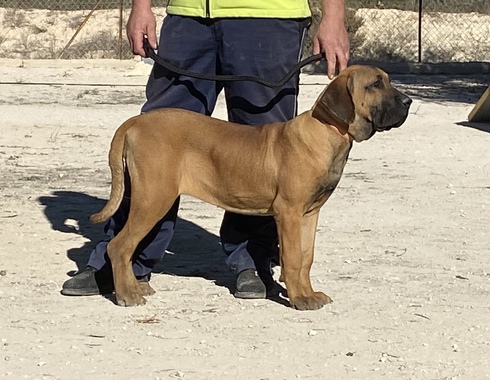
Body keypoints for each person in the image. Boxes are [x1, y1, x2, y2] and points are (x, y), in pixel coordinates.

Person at [61, 0, 349, 300]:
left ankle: (253, 261)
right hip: (189, 15)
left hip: (268, 16)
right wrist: (141, 6)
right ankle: (127, 259)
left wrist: (333, 16)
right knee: (156, 138)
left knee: (266, 152)